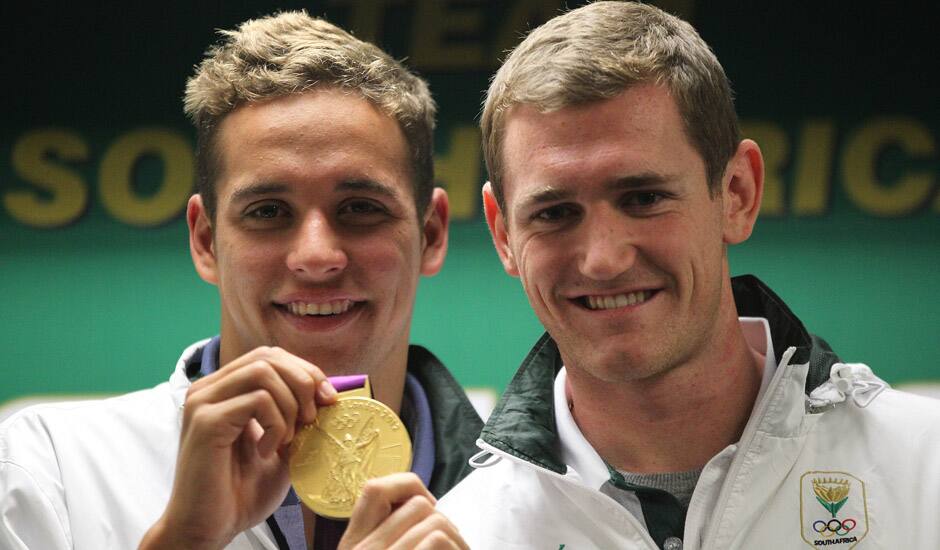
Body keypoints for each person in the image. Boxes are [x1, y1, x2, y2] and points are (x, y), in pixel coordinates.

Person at [437, 2, 940, 548]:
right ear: (504, 233)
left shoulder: (926, 469)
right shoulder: (464, 534)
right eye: (554, 213)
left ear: (737, 194)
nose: (603, 259)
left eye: (644, 198)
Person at [0, 11, 478, 550]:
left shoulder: (537, 490)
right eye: (269, 211)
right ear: (205, 241)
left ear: (432, 233)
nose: (316, 256)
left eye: (360, 207)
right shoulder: (48, 468)